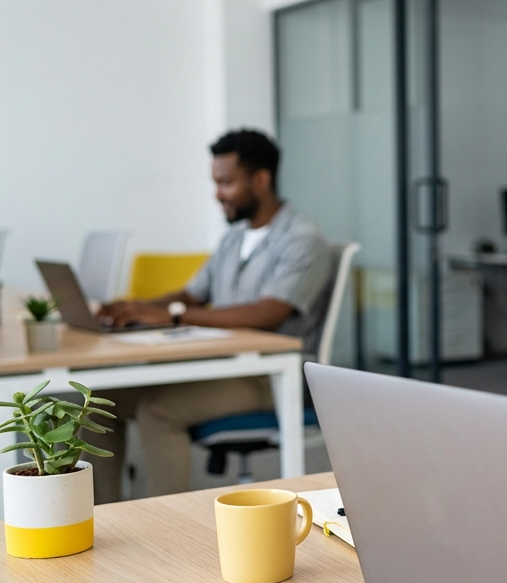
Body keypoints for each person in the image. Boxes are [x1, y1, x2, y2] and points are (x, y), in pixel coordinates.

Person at [84, 129, 333, 503]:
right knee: (98, 400)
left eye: (226, 183)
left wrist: (173, 316)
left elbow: (267, 313)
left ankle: (168, 531)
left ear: (261, 180)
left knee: (159, 411)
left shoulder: (303, 239)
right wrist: (139, 308)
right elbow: (192, 293)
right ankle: (101, 515)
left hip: (271, 375)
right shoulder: (235, 237)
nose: (217, 194)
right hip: (226, 366)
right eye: (215, 182)